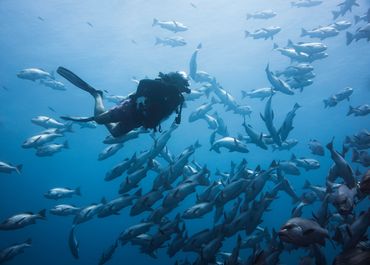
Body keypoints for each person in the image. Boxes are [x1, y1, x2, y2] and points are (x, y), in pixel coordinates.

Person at [57, 67, 191, 137]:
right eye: (183, 83)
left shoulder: (177, 99)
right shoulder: (162, 85)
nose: (185, 87)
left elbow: (166, 114)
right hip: (130, 109)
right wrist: (140, 98)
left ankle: (103, 112)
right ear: (176, 81)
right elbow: (143, 83)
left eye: (186, 85)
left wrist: (154, 123)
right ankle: (97, 95)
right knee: (98, 120)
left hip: (139, 120)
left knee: (115, 134)